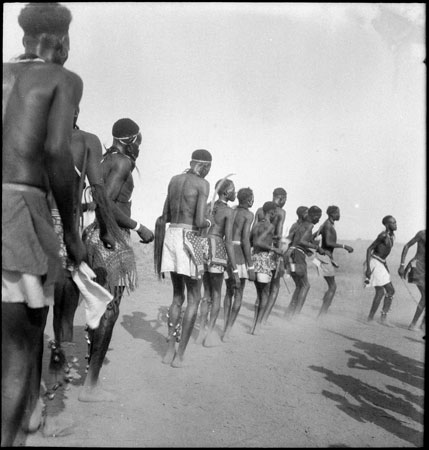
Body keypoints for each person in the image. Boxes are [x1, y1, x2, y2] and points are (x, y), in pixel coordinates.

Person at [2, 3, 85, 445]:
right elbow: (59, 156)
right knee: (37, 335)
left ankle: (32, 415)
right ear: (60, 41)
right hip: (27, 217)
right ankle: (23, 427)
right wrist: (74, 235)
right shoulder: (63, 83)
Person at [81, 118, 154, 401]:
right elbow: (106, 202)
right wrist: (137, 226)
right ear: (129, 139)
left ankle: (90, 378)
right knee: (110, 308)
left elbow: (95, 200)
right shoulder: (122, 162)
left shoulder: (104, 159)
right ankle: (91, 387)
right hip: (111, 234)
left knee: (100, 305)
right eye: (139, 141)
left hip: (95, 233)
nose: (139, 147)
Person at [49, 110, 124, 376]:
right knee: (64, 305)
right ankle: (58, 368)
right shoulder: (87, 140)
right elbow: (99, 191)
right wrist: (105, 232)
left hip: (32, 223)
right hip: (66, 225)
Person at [155, 149, 212, 367]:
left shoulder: (174, 180)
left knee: (177, 297)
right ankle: (180, 356)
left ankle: (169, 350)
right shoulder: (202, 184)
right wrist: (208, 221)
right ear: (205, 166)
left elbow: (165, 214)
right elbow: (198, 220)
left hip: (171, 235)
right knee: (194, 298)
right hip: (190, 238)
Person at [196, 179, 241, 346]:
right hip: (217, 249)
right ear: (225, 192)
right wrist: (235, 270)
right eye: (233, 189)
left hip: (202, 247)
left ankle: (201, 332)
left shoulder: (207, 206)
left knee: (205, 293)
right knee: (216, 294)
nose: (235, 193)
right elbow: (228, 241)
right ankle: (208, 335)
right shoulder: (229, 211)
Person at [222, 188, 256, 342]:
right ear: (249, 200)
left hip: (226, 251)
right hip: (239, 254)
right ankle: (228, 330)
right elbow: (245, 240)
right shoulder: (249, 214)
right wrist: (250, 266)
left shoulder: (232, 211)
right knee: (239, 293)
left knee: (228, 292)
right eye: (252, 198)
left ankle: (224, 327)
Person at [253, 187, 287, 325]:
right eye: (285, 199)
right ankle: (263, 320)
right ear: (282, 198)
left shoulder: (260, 210)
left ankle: (257, 319)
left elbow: (253, 232)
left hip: (257, 250)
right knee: (274, 287)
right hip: (271, 251)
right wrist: (280, 255)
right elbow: (278, 235)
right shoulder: (281, 212)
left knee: (260, 289)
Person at [284, 206, 325, 319]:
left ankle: (289, 313)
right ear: (314, 216)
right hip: (298, 256)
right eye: (319, 217)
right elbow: (302, 242)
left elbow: (294, 240)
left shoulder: (299, 225)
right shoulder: (309, 225)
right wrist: (316, 247)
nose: (319, 220)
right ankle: (295, 315)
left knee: (299, 285)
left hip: (291, 255)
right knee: (305, 285)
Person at [250, 201, 284, 335]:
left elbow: (254, 240)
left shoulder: (257, 225)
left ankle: (254, 325)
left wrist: (273, 237)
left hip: (255, 259)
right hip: (265, 260)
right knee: (265, 294)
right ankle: (257, 326)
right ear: (272, 212)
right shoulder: (270, 226)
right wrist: (274, 248)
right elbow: (258, 242)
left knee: (259, 294)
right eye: (275, 211)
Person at [314, 206, 354, 318]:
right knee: (332, 287)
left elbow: (313, 237)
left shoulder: (326, 225)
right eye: (338, 213)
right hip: (324, 259)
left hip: (325, 258)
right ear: (332, 214)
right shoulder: (327, 226)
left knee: (331, 287)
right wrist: (345, 246)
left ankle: (323, 311)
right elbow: (328, 242)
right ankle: (322, 315)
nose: (339, 215)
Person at [365, 215, 397, 324]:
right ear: (387, 225)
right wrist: (368, 269)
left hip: (381, 263)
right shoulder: (383, 235)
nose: (395, 225)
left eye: (395, 222)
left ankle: (383, 318)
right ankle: (370, 319)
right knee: (381, 291)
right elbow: (369, 249)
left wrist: (386, 268)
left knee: (390, 291)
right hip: (374, 262)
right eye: (393, 223)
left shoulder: (392, 236)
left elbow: (384, 255)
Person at [398, 230, 425, 330]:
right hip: (418, 267)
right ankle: (413, 325)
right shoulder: (422, 234)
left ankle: (421, 325)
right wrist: (402, 265)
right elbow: (407, 246)